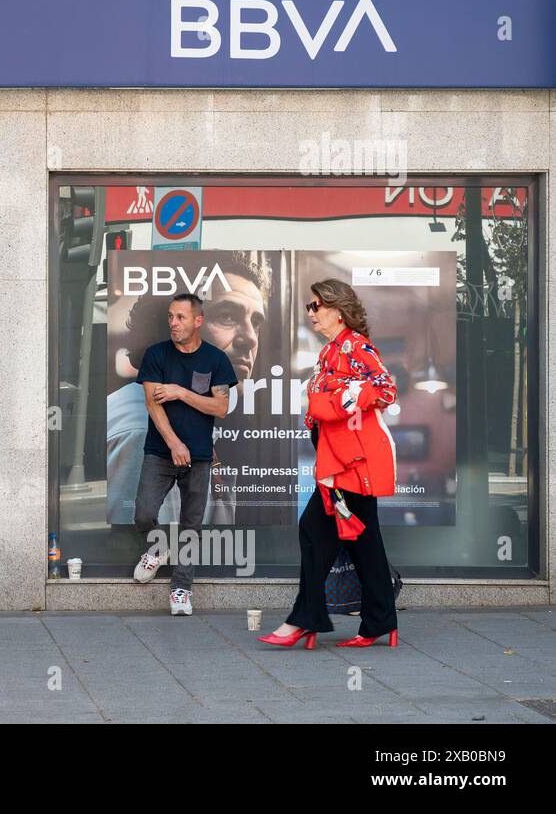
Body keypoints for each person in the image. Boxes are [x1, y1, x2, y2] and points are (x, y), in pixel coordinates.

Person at [259, 279, 400, 650]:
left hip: (348, 462)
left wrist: (347, 400)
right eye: (309, 306)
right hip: (337, 456)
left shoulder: (354, 345)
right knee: (364, 540)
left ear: (337, 310)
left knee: (314, 528)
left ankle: (303, 620)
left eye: (316, 305)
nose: (311, 312)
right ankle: (379, 621)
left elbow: (385, 388)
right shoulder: (330, 350)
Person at [107, 252, 270, 527]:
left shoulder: (188, 407)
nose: (250, 339)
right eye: (227, 316)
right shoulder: (140, 430)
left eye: (256, 322)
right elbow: (147, 541)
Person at [130, 293, 237, 615]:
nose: (174, 323)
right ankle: (158, 548)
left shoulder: (216, 360)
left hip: (200, 455)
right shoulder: (157, 355)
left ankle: (180, 589)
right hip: (161, 452)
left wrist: (180, 392)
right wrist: (175, 444)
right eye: (171, 317)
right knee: (144, 513)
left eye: (180, 317)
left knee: (192, 526)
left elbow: (221, 407)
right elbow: (152, 404)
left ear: (198, 321)